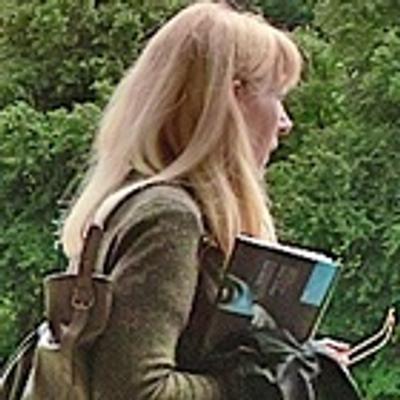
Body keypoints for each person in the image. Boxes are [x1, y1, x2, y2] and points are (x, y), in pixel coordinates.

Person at [60, 1, 348, 399]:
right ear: (233, 100)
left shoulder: (137, 203)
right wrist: (256, 385)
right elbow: (138, 391)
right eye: (276, 96)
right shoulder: (170, 218)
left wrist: (297, 362)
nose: (285, 122)